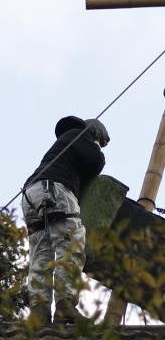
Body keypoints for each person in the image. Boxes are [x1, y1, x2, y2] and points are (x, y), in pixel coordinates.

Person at [21, 116, 109, 324]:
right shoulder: (79, 136)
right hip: (55, 190)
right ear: (95, 133)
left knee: (42, 253)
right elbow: (95, 162)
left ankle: (39, 311)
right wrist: (97, 146)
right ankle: (65, 306)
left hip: (32, 195)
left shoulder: (64, 144)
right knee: (70, 244)